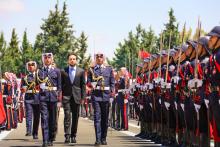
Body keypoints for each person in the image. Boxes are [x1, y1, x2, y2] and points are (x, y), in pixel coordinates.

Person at [87, 52, 115, 146]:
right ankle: (98, 139)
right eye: (97, 57)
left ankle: (103, 138)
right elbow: (88, 81)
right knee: (97, 118)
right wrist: (91, 84)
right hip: (96, 95)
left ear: (104, 58)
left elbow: (112, 83)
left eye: (101, 57)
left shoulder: (109, 69)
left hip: (106, 95)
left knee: (105, 118)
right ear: (95, 59)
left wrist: (112, 94)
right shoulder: (91, 69)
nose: (99, 58)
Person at [36, 53, 62, 147]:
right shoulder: (40, 71)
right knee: (44, 118)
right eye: (45, 58)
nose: (47, 59)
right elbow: (36, 83)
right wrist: (40, 85)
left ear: (52, 59)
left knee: (52, 119)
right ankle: (45, 140)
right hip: (43, 97)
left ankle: (51, 138)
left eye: (49, 57)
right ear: (43, 59)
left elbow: (59, 87)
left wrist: (59, 100)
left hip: (54, 97)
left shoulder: (57, 71)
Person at [61, 52, 86, 144]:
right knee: (67, 116)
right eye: (70, 59)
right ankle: (67, 135)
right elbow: (61, 84)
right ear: (68, 60)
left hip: (77, 97)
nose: (72, 60)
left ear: (76, 60)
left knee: (75, 117)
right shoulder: (63, 71)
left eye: (74, 59)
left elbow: (83, 85)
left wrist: (83, 98)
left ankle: (73, 135)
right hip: (66, 96)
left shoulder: (81, 71)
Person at [21, 61, 40, 139]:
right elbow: (23, 88)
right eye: (29, 65)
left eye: (32, 65)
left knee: (36, 116)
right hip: (28, 98)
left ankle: (35, 133)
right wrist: (23, 89)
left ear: (35, 67)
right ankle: (28, 130)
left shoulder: (39, 76)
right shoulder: (25, 77)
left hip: (37, 98)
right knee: (28, 115)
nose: (31, 66)